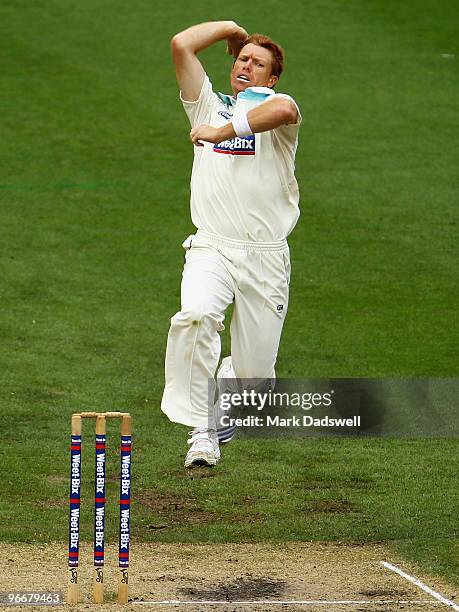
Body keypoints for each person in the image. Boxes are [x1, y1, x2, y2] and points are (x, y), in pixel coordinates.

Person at [161, 20, 301, 468]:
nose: (247, 65)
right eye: (243, 59)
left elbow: (279, 115)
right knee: (197, 315)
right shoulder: (206, 104)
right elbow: (181, 44)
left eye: (258, 63)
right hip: (212, 246)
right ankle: (201, 431)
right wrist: (231, 31)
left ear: (271, 78)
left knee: (255, 383)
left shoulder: (279, 108)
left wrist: (223, 132)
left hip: (265, 256)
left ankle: (230, 380)